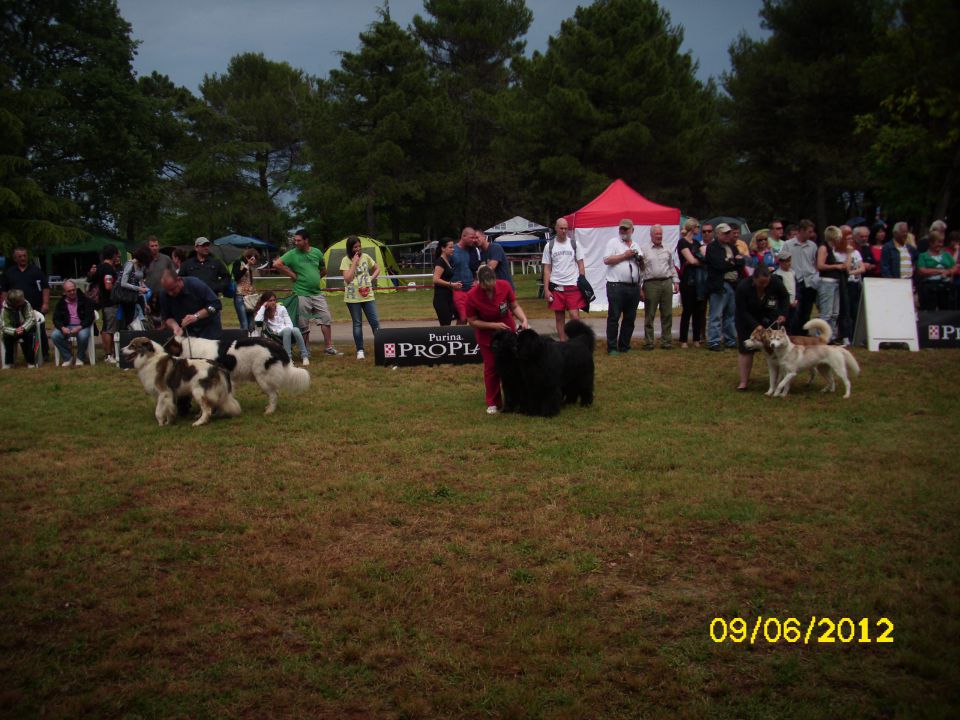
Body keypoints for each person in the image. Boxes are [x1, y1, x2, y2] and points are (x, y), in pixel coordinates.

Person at [466, 266, 529, 415]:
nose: (489, 290)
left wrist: (524, 319)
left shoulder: (505, 286)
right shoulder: (471, 296)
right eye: (485, 288)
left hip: (508, 331)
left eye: (491, 287)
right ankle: (493, 402)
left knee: (514, 366)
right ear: (478, 282)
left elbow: (514, 306)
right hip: (487, 336)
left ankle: (517, 399)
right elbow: (472, 321)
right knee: (492, 367)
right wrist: (493, 325)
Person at [273, 229, 339, 355]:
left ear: (306, 240)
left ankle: (328, 347)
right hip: (301, 293)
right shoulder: (292, 254)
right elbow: (277, 264)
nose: (296, 242)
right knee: (303, 323)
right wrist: (292, 274)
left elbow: (323, 270)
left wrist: (314, 278)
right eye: (295, 240)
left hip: (316, 293)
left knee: (325, 318)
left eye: (299, 240)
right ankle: (306, 350)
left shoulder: (317, 252)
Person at [734, 266, 789, 391]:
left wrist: (783, 314)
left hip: (769, 316)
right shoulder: (743, 287)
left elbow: (785, 297)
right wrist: (756, 326)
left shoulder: (776, 281)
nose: (764, 285)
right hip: (746, 319)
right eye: (761, 283)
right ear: (754, 279)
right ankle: (743, 382)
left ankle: (781, 380)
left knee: (777, 347)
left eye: (766, 282)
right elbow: (742, 310)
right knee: (745, 349)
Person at [602, 218, 644, 354]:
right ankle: (612, 347)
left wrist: (640, 260)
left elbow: (642, 267)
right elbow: (607, 260)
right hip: (616, 285)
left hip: (633, 286)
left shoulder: (636, 245)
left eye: (626, 229)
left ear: (632, 230)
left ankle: (624, 345)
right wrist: (625, 255)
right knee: (614, 317)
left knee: (630, 318)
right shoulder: (613, 243)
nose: (623, 231)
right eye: (621, 228)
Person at [0, 247, 50, 360]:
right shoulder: (9, 273)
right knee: (21, 330)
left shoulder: (36, 270)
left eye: (24, 256)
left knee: (40, 330)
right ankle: (27, 354)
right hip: (15, 310)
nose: (23, 258)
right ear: (15, 258)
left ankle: (44, 353)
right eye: (20, 256)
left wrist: (46, 303)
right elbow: (4, 291)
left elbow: (45, 288)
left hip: (36, 308)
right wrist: (3, 307)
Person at [542, 217, 586, 341]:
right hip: (556, 286)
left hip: (572, 285)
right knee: (559, 317)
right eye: (561, 228)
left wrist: (582, 282)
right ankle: (563, 342)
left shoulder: (574, 244)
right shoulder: (549, 246)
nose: (563, 231)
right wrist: (546, 289)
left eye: (566, 228)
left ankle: (578, 341)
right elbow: (547, 269)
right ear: (556, 228)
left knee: (574, 316)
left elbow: (581, 264)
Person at [340, 235, 381, 360]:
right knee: (357, 323)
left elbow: (377, 268)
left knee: (375, 322)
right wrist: (354, 263)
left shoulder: (367, 257)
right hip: (353, 297)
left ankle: (381, 346)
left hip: (368, 295)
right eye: (355, 247)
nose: (358, 249)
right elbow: (347, 279)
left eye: (359, 246)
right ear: (350, 248)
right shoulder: (345, 260)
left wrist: (371, 278)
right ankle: (360, 350)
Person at [705, 223, 744, 351]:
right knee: (716, 314)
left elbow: (741, 262)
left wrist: (730, 261)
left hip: (733, 284)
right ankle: (714, 341)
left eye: (729, 233)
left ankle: (730, 339)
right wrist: (732, 261)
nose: (728, 235)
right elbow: (718, 265)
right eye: (725, 233)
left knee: (731, 314)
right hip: (719, 285)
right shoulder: (712, 247)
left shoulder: (732, 247)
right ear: (718, 234)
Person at [641, 224, 679, 350]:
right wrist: (640, 287)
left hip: (666, 282)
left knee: (667, 313)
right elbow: (641, 270)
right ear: (651, 235)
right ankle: (649, 342)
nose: (659, 236)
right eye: (656, 234)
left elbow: (671, 266)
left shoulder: (667, 248)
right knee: (650, 314)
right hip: (651, 283)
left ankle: (667, 341)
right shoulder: (644, 249)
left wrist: (676, 281)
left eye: (660, 234)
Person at [779, 219, 819, 333]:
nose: (811, 234)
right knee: (795, 310)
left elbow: (814, 262)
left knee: (807, 311)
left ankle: (804, 333)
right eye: (809, 231)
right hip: (795, 280)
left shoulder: (812, 246)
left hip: (809, 281)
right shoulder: (788, 244)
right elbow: (782, 260)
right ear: (801, 231)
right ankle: (793, 333)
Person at [158, 270, 223, 340]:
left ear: (179, 280)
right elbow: (167, 316)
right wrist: (175, 327)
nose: (170, 293)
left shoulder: (195, 284)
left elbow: (216, 305)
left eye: (173, 289)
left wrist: (196, 316)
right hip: (188, 333)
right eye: (167, 290)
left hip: (209, 330)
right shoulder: (164, 294)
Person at [254, 290, 310, 365]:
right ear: (265, 302)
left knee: (296, 329)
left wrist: (289, 330)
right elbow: (257, 320)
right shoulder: (264, 311)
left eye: (274, 300)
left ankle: (305, 356)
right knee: (287, 330)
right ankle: (288, 358)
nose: (273, 302)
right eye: (270, 301)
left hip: (287, 330)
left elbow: (289, 323)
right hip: (275, 333)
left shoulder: (281, 308)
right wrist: (263, 307)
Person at [87, 244, 121, 364]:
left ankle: (111, 352)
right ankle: (108, 355)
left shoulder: (100, 267)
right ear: (112, 255)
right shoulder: (108, 268)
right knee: (108, 329)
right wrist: (119, 289)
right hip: (110, 303)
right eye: (117, 253)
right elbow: (108, 285)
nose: (119, 256)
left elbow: (91, 279)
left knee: (107, 327)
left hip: (104, 303)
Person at [677, 217, 707, 348]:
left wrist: (696, 261)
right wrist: (696, 260)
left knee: (698, 311)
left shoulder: (697, 243)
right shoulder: (682, 242)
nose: (699, 230)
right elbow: (691, 260)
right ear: (692, 228)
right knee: (687, 310)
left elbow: (704, 258)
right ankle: (683, 339)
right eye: (697, 227)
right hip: (687, 281)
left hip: (699, 281)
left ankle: (696, 338)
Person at [815, 226, 849, 341]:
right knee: (826, 313)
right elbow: (820, 265)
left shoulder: (832, 249)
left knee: (835, 313)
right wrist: (836, 266)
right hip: (826, 282)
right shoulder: (824, 248)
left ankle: (831, 337)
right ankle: (820, 337)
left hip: (835, 282)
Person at [51, 280, 95, 366]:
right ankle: (68, 357)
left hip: (82, 326)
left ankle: (80, 357)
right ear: (64, 292)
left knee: (83, 335)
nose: (72, 292)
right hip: (67, 326)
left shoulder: (85, 300)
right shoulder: (61, 303)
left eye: (73, 290)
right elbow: (56, 318)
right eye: (69, 291)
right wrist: (62, 328)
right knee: (55, 336)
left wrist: (80, 327)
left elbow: (90, 317)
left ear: (76, 289)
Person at [834, 233, 866, 345]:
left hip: (855, 283)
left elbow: (862, 268)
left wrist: (852, 272)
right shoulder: (838, 253)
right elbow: (845, 269)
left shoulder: (856, 252)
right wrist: (848, 254)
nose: (850, 241)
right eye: (847, 239)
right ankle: (845, 335)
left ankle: (856, 336)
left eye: (851, 239)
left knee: (855, 310)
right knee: (845, 310)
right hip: (845, 284)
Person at [916, 230, 957, 311]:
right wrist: (940, 271)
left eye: (942, 242)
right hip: (930, 287)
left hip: (945, 286)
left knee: (946, 311)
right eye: (938, 242)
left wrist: (948, 272)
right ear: (931, 243)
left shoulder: (947, 255)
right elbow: (922, 270)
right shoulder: (923, 256)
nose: (941, 245)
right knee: (930, 311)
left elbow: (954, 267)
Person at [117, 244, 152, 330]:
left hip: (138, 298)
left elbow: (141, 284)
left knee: (140, 323)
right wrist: (138, 289)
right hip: (128, 299)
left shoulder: (141, 266)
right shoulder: (130, 264)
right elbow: (123, 283)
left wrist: (146, 304)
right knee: (131, 323)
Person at [0, 289, 38, 368]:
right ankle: (9, 362)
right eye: (21, 300)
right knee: (6, 338)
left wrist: (23, 328)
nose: (23, 300)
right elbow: (4, 326)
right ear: (15, 303)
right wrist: (14, 331)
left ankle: (30, 361)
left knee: (30, 336)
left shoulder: (26, 304)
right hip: (12, 330)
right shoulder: (5, 309)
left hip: (24, 328)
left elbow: (31, 319)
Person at [432, 237, 461, 326]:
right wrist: (451, 284)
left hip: (448, 296)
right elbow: (435, 279)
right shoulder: (440, 262)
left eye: (453, 247)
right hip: (441, 298)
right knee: (445, 325)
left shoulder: (447, 261)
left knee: (453, 319)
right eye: (450, 247)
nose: (453, 249)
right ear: (443, 248)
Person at [450, 227, 476, 324]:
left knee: (474, 317)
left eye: (475, 238)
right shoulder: (453, 250)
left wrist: (476, 280)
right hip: (458, 290)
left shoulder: (473, 251)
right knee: (462, 318)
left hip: (471, 289)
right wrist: (450, 285)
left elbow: (476, 268)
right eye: (471, 238)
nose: (473, 240)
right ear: (463, 236)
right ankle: (459, 338)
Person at [231, 249, 260, 331]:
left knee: (251, 324)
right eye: (253, 259)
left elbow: (249, 282)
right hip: (240, 296)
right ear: (249, 257)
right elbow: (237, 277)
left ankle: (251, 341)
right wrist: (247, 266)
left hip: (249, 297)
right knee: (244, 324)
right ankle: (244, 342)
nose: (254, 261)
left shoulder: (249, 267)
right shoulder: (238, 263)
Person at [773, 251, 798, 332]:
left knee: (792, 324)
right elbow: (778, 294)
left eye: (789, 261)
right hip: (783, 306)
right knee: (783, 325)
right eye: (786, 261)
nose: (788, 263)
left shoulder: (793, 273)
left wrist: (796, 299)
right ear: (780, 262)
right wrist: (787, 303)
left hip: (794, 303)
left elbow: (796, 287)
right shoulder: (777, 275)